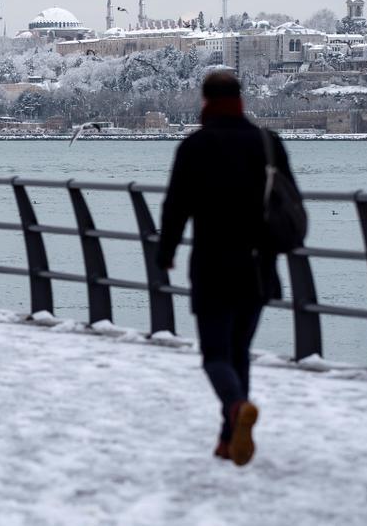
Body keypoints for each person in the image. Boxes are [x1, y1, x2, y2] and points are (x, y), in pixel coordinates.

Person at [157, 69, 296, 466]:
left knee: (216, 355)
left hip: (213, 264)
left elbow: (176, 206)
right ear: (241, 99)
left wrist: (165, 252)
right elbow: (289, 200)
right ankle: (228, 439)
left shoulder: (196, 146)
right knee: (240, 351)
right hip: (258, 265)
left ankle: (236, 409)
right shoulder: (268, 144)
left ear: (205, 101)